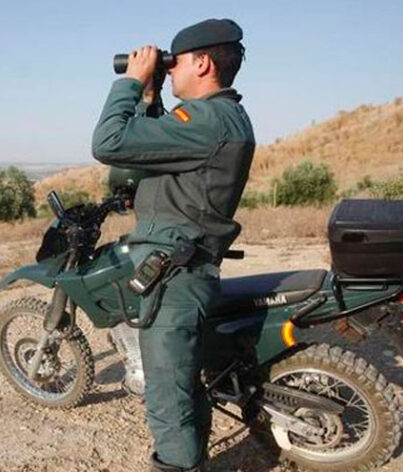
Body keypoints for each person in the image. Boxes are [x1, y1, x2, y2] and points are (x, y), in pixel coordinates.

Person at [91, 19, 256, 472]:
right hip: (180, 271)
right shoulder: (214, 119)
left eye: (174, 62)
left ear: (202, 63)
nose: (168, 69)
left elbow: (109, 142)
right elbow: (153, 150)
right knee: (183, 386)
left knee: (168, 398)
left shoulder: (208, 120)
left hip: (176, 278)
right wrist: (151, 98)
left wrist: (129, 82)